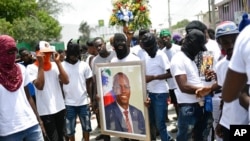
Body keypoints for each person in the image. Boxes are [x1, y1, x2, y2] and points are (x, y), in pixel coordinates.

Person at [170, 29, 212, 141]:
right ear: (191, 43)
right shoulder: (178, 59)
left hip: (199, 104)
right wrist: (207, 89)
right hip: (188, 107)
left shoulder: (190, 59)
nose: (199, 51)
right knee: (184, 138)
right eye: (198, 47)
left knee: (200, 137)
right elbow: (183, 86)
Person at [0, 35, 45, 140]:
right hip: (9, 132)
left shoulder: (21, 69)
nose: (12, 56)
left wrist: (39, 119)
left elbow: (28, 97)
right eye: (8, 52)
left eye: (14, 52)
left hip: (31, 126)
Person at [27, 41, 69, 141]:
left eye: (49, 52)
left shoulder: (54, 66)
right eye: (44, 53)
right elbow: (40, 86)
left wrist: (58, 63)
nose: (48, 55)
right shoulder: (31, 68)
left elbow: (66, 81)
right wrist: (41, 64)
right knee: (53, 139)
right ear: (38, 53)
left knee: (62, 137)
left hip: (60, 108)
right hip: (46, 112)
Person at [141, 32, 172, 141]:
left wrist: (153, 77)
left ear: (155, 44)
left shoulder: (161, 55)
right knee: (151, 123)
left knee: (160, 124)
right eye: (147, 48)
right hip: (149, 93)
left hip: (160, 93)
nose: (149, 50)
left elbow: (170, 73)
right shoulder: (145, 56)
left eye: (151, 47)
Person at [62, 39, 93, 141]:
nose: (73, 57)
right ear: (67, 53)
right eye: (71, 55)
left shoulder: (84, 65)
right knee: (70, 129)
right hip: (68, 103)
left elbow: (89, 83)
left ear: (78, 53)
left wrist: (91, 99)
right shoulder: (62, 66)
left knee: (86, 127)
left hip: (83, 102)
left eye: (75, 55)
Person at [92, 37, 116, 141]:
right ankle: (106, 137)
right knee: (105, 119)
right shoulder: (95, 60)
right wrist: (95, 96)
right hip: (104, 93)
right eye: (96, 46)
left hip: (116, 90)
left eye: (100, 45)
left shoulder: (114, 55)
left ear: (105, 44)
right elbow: (95, 79)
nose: (99, 47)